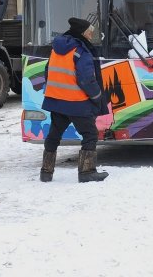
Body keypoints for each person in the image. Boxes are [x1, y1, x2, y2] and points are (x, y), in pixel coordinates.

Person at [40, 17, 109, 183]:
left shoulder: (56, 49)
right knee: (90, 134)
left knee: (54, 135)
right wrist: (97, 96)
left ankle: (46, 172)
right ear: (82, 33)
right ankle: (87, 172)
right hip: (77, 103)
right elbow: (86, 79)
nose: (91, 36)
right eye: (90, 33)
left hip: (57, 101)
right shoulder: (81, 51)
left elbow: (48, 72)